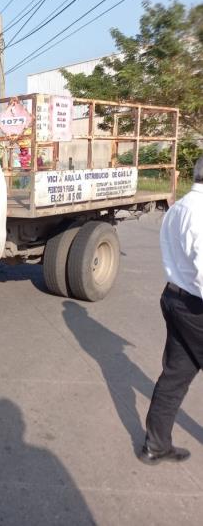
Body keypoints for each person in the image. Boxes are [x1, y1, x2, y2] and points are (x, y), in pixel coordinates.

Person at [139, 157, 203, 465]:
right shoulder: (201, 214)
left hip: (175, 298)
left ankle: (156, 445)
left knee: (176, 375)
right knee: (176, 375)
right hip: (196, 306)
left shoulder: (179, 207)